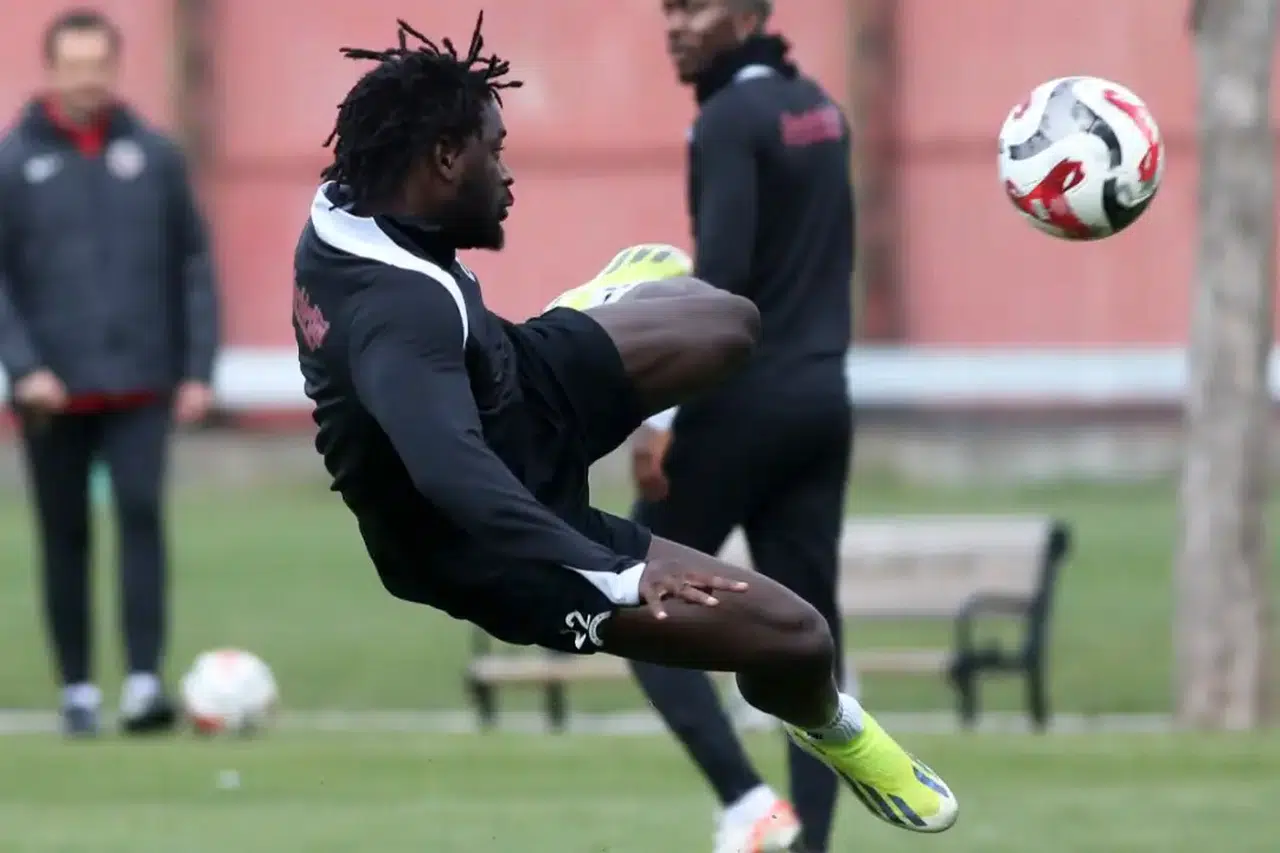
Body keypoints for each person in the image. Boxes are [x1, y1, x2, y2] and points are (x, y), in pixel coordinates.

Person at [292, 15, 956, 838]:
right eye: (496, 151)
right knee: (798, 638)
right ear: (445, 159)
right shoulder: (397, 316)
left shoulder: (350, 201)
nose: (508, 172)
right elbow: (452, 475)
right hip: (493, 544)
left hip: (508, 380)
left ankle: (577, 312)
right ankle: (830, 725)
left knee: (727, 322)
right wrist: (614, 573)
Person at [626, 1, 856, 850]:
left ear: (753, 12)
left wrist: (656, 413)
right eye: (669, 8)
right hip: (821, 402)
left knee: (635, 595)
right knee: (805, 640)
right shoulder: (821, 109)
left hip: (738, 406)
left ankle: (747, 801)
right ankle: (810, 842)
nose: (677, 25)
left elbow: (719, 283)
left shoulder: (726, 120)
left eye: (697, 6)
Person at [0, 8, 219, 737]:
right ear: (52, 69)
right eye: (74, 64)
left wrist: (197, 368)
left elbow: (192, 264)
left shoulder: (155, 158)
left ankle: (145, 681)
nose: (87, 77)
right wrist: (24, 367)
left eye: (98, 63)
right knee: (64, 534)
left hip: (141, 380)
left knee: (141, 515)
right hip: (52, 391)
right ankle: (78, 690)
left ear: (114, 67)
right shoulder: (13, 163)